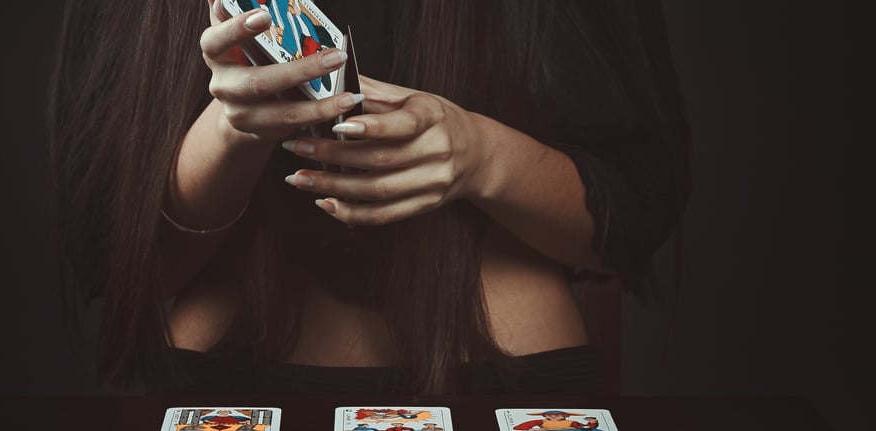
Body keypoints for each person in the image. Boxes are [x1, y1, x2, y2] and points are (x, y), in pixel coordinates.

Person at [48, 0, 691, 395]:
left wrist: (482, 155)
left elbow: (629, 220)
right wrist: (232, 127)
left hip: (504, 356)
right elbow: (122, 263)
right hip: (232, 360)